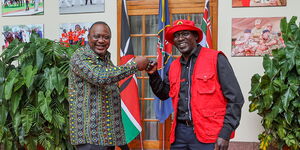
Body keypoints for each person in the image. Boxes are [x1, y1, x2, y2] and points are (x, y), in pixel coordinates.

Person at [146, 20, 244, 150]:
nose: (180, 38)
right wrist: (153, 74)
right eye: (176, 35)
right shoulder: (174, 66)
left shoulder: (216, 58)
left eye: (185, 34)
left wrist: (225, 133)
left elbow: (236, 99)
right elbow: (164, 94)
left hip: (209, 133)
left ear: (196, 37)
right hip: (179, 134)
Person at [69, 21, 149, 150]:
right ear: (88, 37)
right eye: (97, 36)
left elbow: (111, 96)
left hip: (108, 137)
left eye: (106, 37)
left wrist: (121, 141)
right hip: (91, 138)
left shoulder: (106, 60)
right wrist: (133, 65)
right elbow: (100, 77)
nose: (101, 40)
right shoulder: (80, 57)